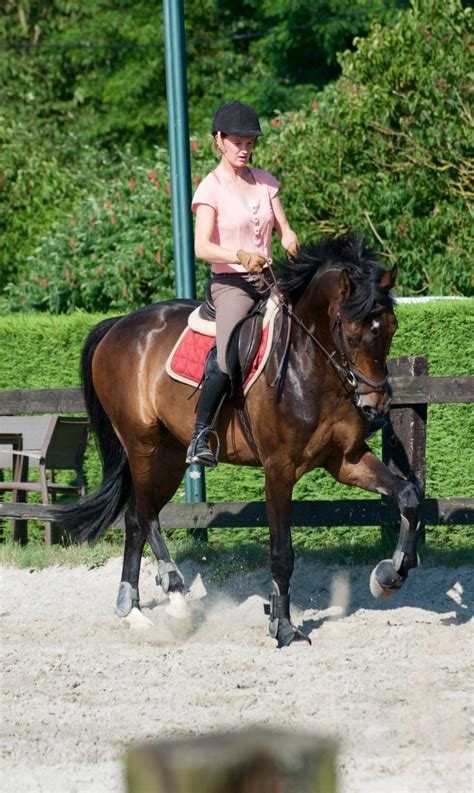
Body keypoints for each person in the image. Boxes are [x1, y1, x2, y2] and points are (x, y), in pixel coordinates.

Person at [186, 100, 299, 467]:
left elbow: (284, 227)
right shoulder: (210, 189)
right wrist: (240, 255)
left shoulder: (266, 182)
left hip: (268, 281)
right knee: (228, 354)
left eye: (250, 142)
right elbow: (201, 247)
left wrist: (290, 240)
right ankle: (201, 434)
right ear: (218, 140)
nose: (245, 149)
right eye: (238, 141)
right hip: (232, 285)